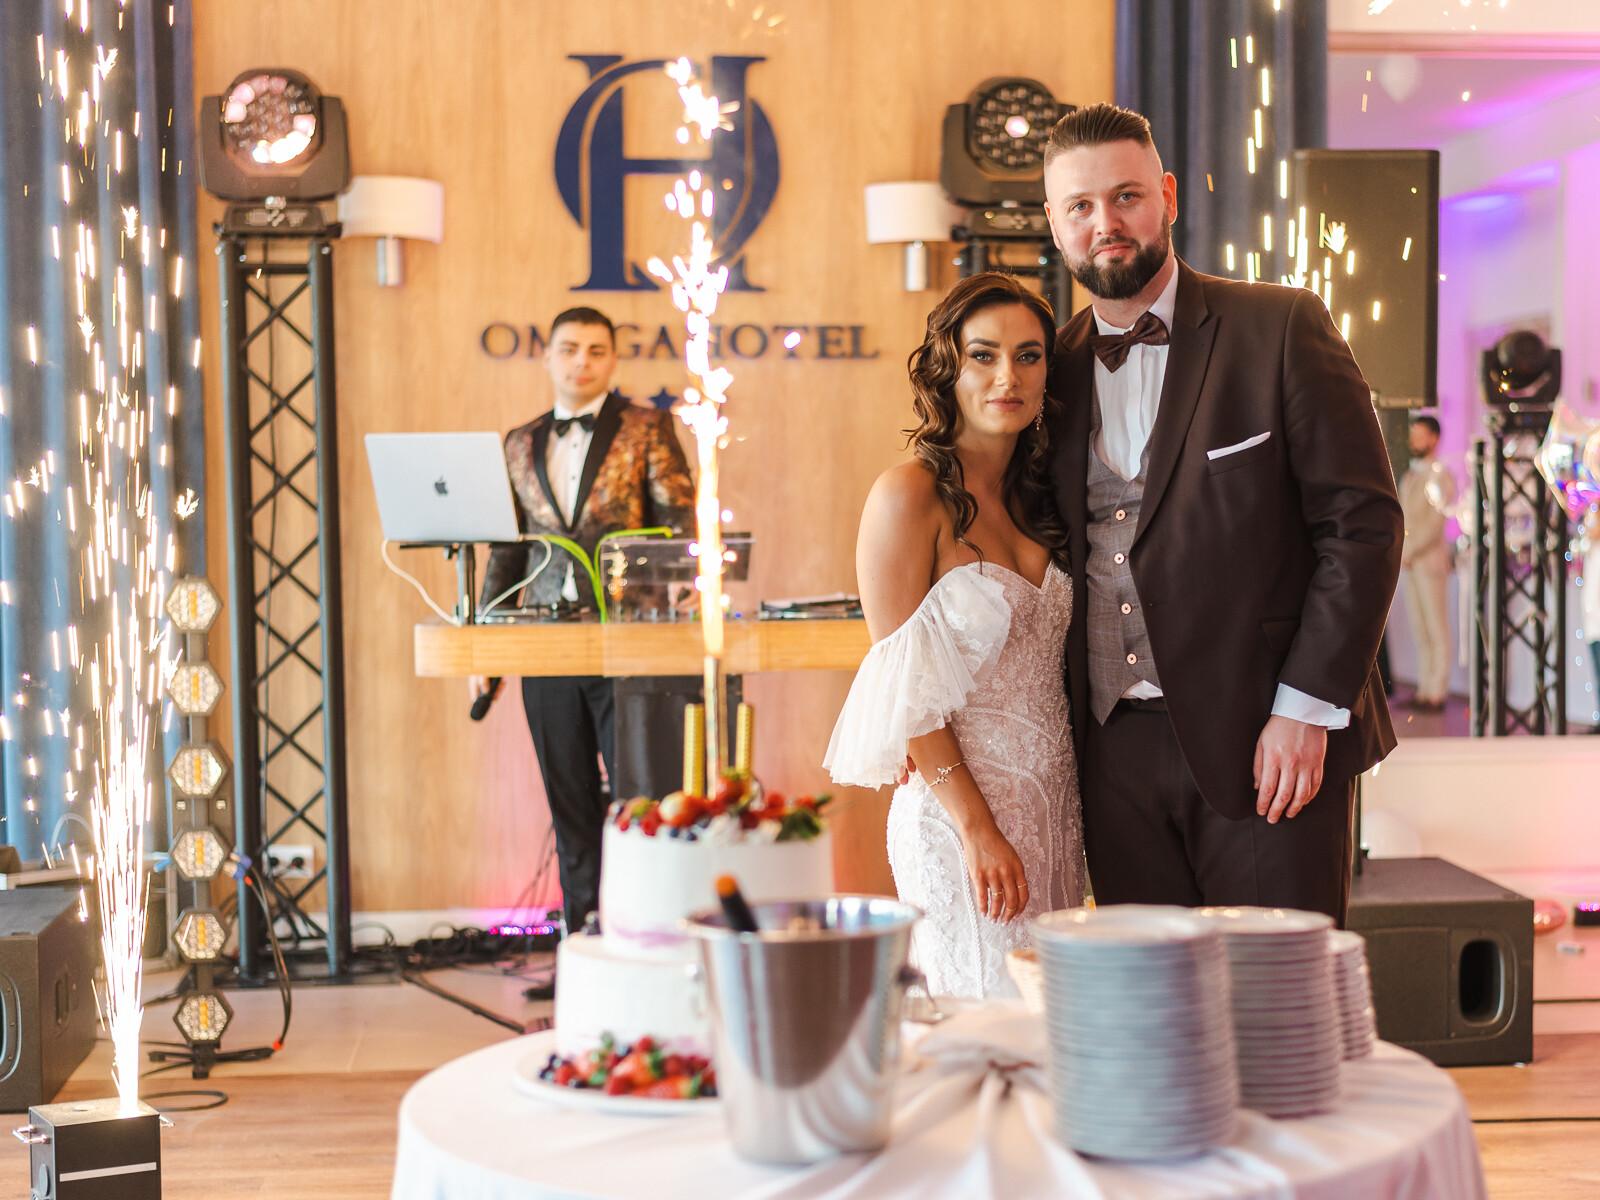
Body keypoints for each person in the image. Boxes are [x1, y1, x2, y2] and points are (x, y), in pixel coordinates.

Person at [1040, 103, 1404, 925]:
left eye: (1126, 196)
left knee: (1274, 990)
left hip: (1266, 737)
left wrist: (1305, 710)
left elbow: (1361, 527)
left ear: (1167, 196)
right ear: (1056, 225)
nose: (1106, 224)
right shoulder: (1049, 371)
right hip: (1110, 755)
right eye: (1081, 206)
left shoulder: (1281, 325)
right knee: (1151, 994)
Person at [825, 273, 1086, 999]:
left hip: (1056, 808)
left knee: (1049, 1018)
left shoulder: (1043, 495)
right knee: (983, 1014)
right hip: (961, 818)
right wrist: (977, 828)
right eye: (983, 355)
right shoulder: (908, 496)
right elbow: (905, 690)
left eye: (1029, 356)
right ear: (949, 368)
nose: (1008, 377)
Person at [471, 306, 696, 934]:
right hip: (544, 644)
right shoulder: (518, 442)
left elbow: (681, 522)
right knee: (567, 803)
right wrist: (488, 649)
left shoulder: (648, 427)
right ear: (548, 356)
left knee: (638, 802)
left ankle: (643, 937)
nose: (582, 362)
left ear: (613, 360)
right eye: (569, 349)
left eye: (597, 350)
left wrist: (683, 593)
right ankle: (580, 947)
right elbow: (506, 551)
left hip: (628, 640)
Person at [1398, 415, 1456, 712]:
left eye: (1420, 435)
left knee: (1436, 627)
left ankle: (1437, 692)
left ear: (1434, 438)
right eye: (1413, 435)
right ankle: (1423, 690)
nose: (1414, 441)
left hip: (1429, 562)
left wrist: (1409, 550)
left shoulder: (1440, 475)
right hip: (1410, 562)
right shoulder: (1409, 476)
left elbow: (1435, 524)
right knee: (1419, 629)